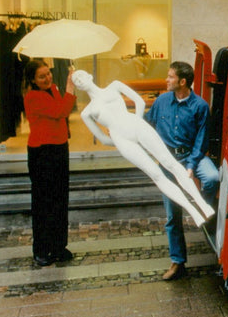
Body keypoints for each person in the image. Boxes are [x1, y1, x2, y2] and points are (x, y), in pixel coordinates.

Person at [71, 70, 215, 229]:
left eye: (81, 75)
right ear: (77, 87)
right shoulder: (87, 112)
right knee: (157, 175)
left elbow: (139, 101)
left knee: (170, 163)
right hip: (122, 140)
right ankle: (192, 211)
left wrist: (137, 124)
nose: (79, 80)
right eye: (76, 80)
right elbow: (103, 138)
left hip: (137, 125)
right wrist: (118, 140)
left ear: (90, 75)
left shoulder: (114, 86)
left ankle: (202, 205)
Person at [144, 62, 220, 281]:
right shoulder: (161, 101)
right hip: (168, 161)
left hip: (191, 155)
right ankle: (178, 262)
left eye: (170, 77)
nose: (166, 80)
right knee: (172, 215)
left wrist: (191, 165)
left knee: (213, 177)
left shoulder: (200, 106)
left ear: (182, 82)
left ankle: (200, 207)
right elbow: (146, 124)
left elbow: (202, 139)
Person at [23, 59, 76, 267]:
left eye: (48, 73)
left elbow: (61, 112)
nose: (47, 78)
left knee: (60, 198)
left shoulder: (53, 88)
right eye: (41, 76)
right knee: (44, 202)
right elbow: (59, 112)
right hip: (42, 152)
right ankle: (42, 249)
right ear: (33, 80)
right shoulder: (32, 97)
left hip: (59, 148)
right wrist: (70, 88)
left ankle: (58, 246)